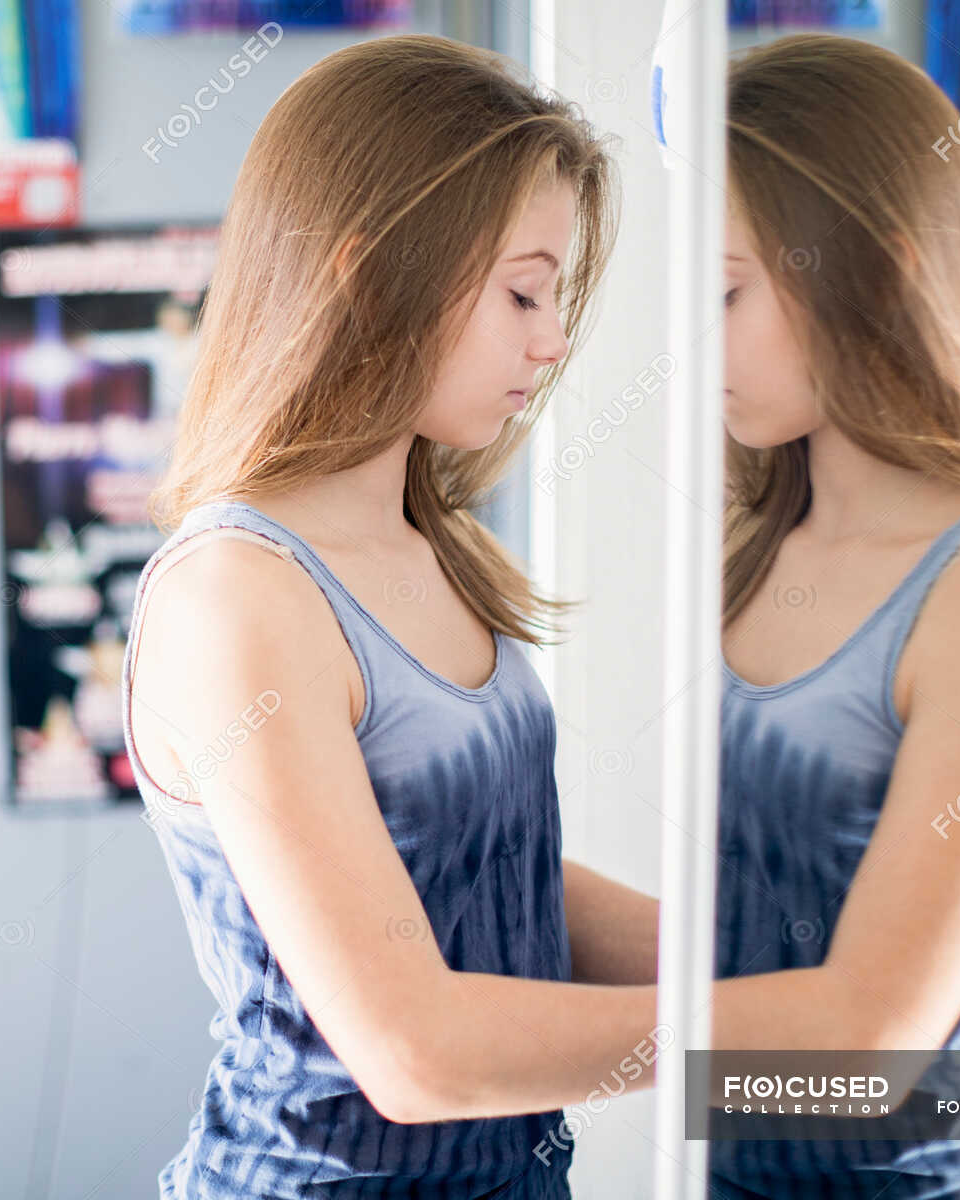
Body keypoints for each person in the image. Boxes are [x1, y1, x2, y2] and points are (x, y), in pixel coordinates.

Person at [119, 33, 659, 1199]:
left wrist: (796, 962)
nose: (552, 339)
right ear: (372, 272)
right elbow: (414, 1056)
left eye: (553, 295)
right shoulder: (240, 596)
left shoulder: (432, 547)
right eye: (523, 290)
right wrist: (783, 1049)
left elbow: (483, 868)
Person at [712, 33, 960, 1199]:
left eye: (728, 293)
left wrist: (476, 1048)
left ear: (876, 270)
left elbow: (871, 1041)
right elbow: (740, 932)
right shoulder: (746, 555)